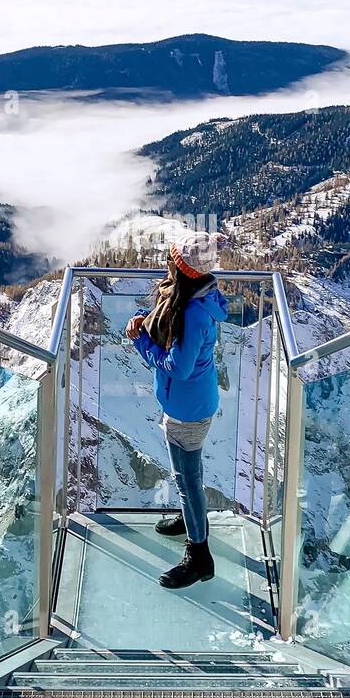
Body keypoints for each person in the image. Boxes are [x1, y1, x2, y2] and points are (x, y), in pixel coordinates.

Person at [126, 231, 228, 589]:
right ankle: (190, 520)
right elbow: (165, 322)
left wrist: (142, 343)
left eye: (172, 258)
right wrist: (145, 320)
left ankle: (199, 555)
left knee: (188, 482)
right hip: (192, 403)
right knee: (188, 478)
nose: (167, 262)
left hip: (187, 411)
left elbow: (177, 366)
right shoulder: (196, 299)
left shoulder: (193, 314)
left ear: (183, 269)